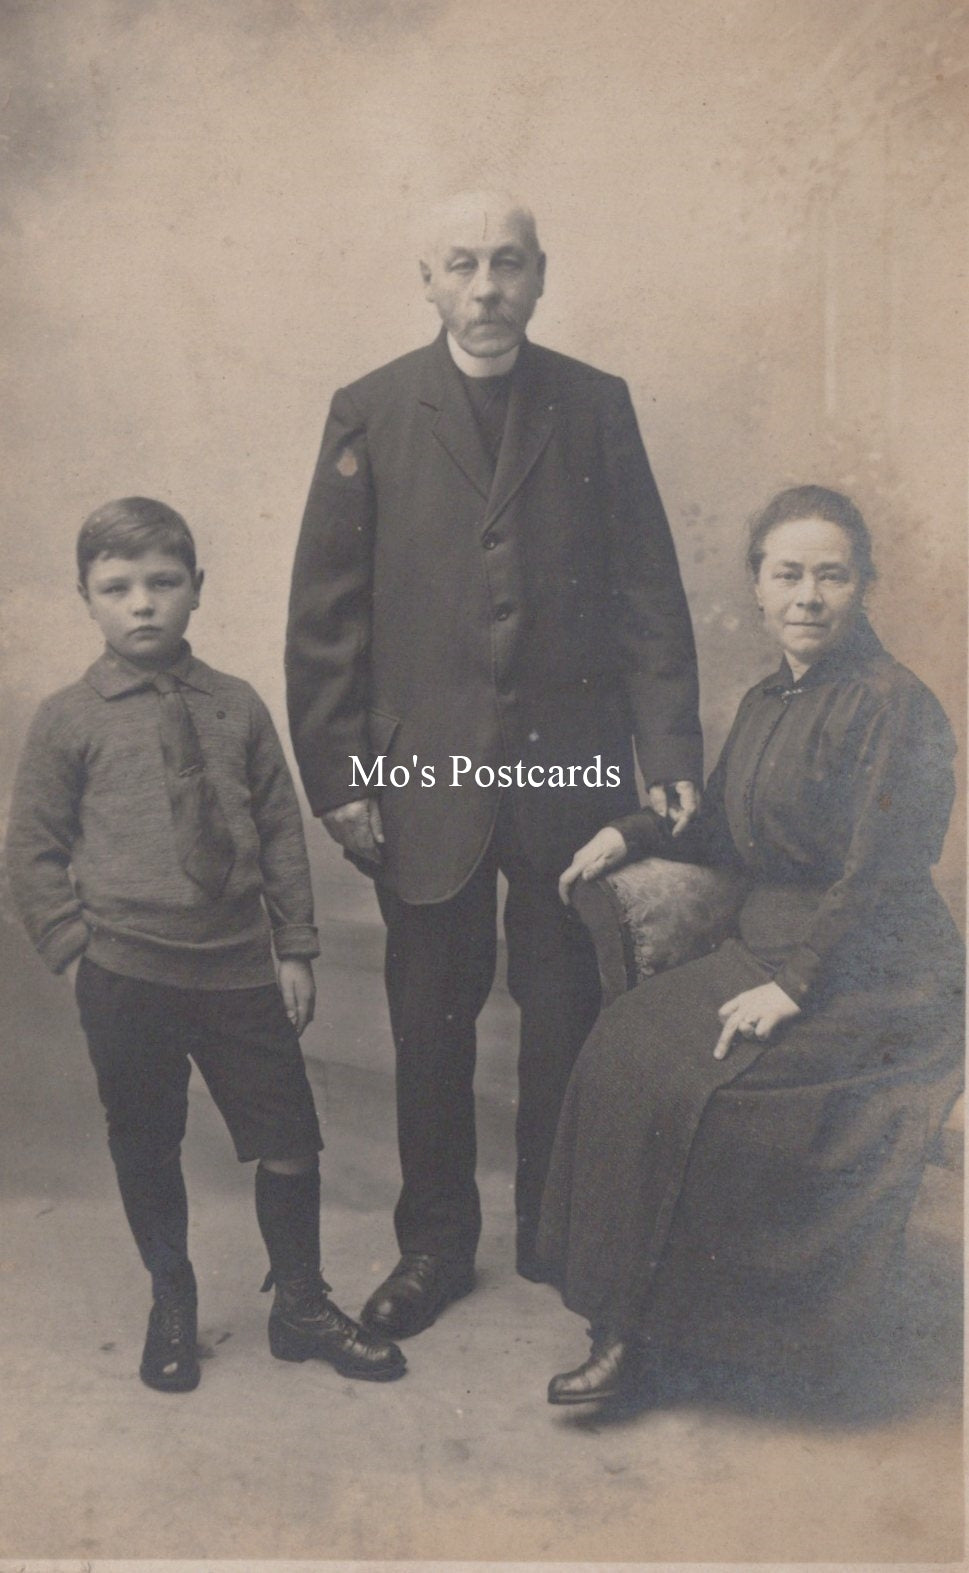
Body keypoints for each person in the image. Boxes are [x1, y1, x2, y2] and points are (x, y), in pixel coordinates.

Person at [285, 192, 703, 1339]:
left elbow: (650, 596)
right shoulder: (371, 410)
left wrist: (668, 751)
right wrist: (340, 777)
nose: (486, 289)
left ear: (540, 274)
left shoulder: (595, 404)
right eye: (462, 266)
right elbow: (327, 619)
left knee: (567, 1002)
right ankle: (433, 1243)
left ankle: (555, 1235)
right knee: (431, 1014)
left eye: (507, 264)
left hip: (574, 777)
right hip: (425, 784)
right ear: (426, 279)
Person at [539, 485, 964, 1405]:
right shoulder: (768, 697)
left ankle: (699, 1346)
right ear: (757, 586)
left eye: (831, 575)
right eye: (788, 574)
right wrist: (630, 833)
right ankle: (622, 1319)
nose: (807, 596)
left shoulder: (896, 706)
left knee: (717, 1089)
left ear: (862, 587)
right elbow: (728, 833)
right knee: (627, 1047)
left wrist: (796, 986)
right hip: (765, 951)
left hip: (875, 975)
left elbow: (880, 873)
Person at [6, 498, 405, 1392]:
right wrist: (76, 949)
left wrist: (294, 947)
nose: (141, 603)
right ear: (87, 598)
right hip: (126, 973)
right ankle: (172, 1295)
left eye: (162, 582)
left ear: (196, 590)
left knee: (289, 1134)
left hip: (235, 970)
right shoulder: (69, 718)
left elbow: (277, 832)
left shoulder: (237, 705)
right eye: (117, 587)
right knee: (145, 1142)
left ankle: (299, 1303)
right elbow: (29, 849)